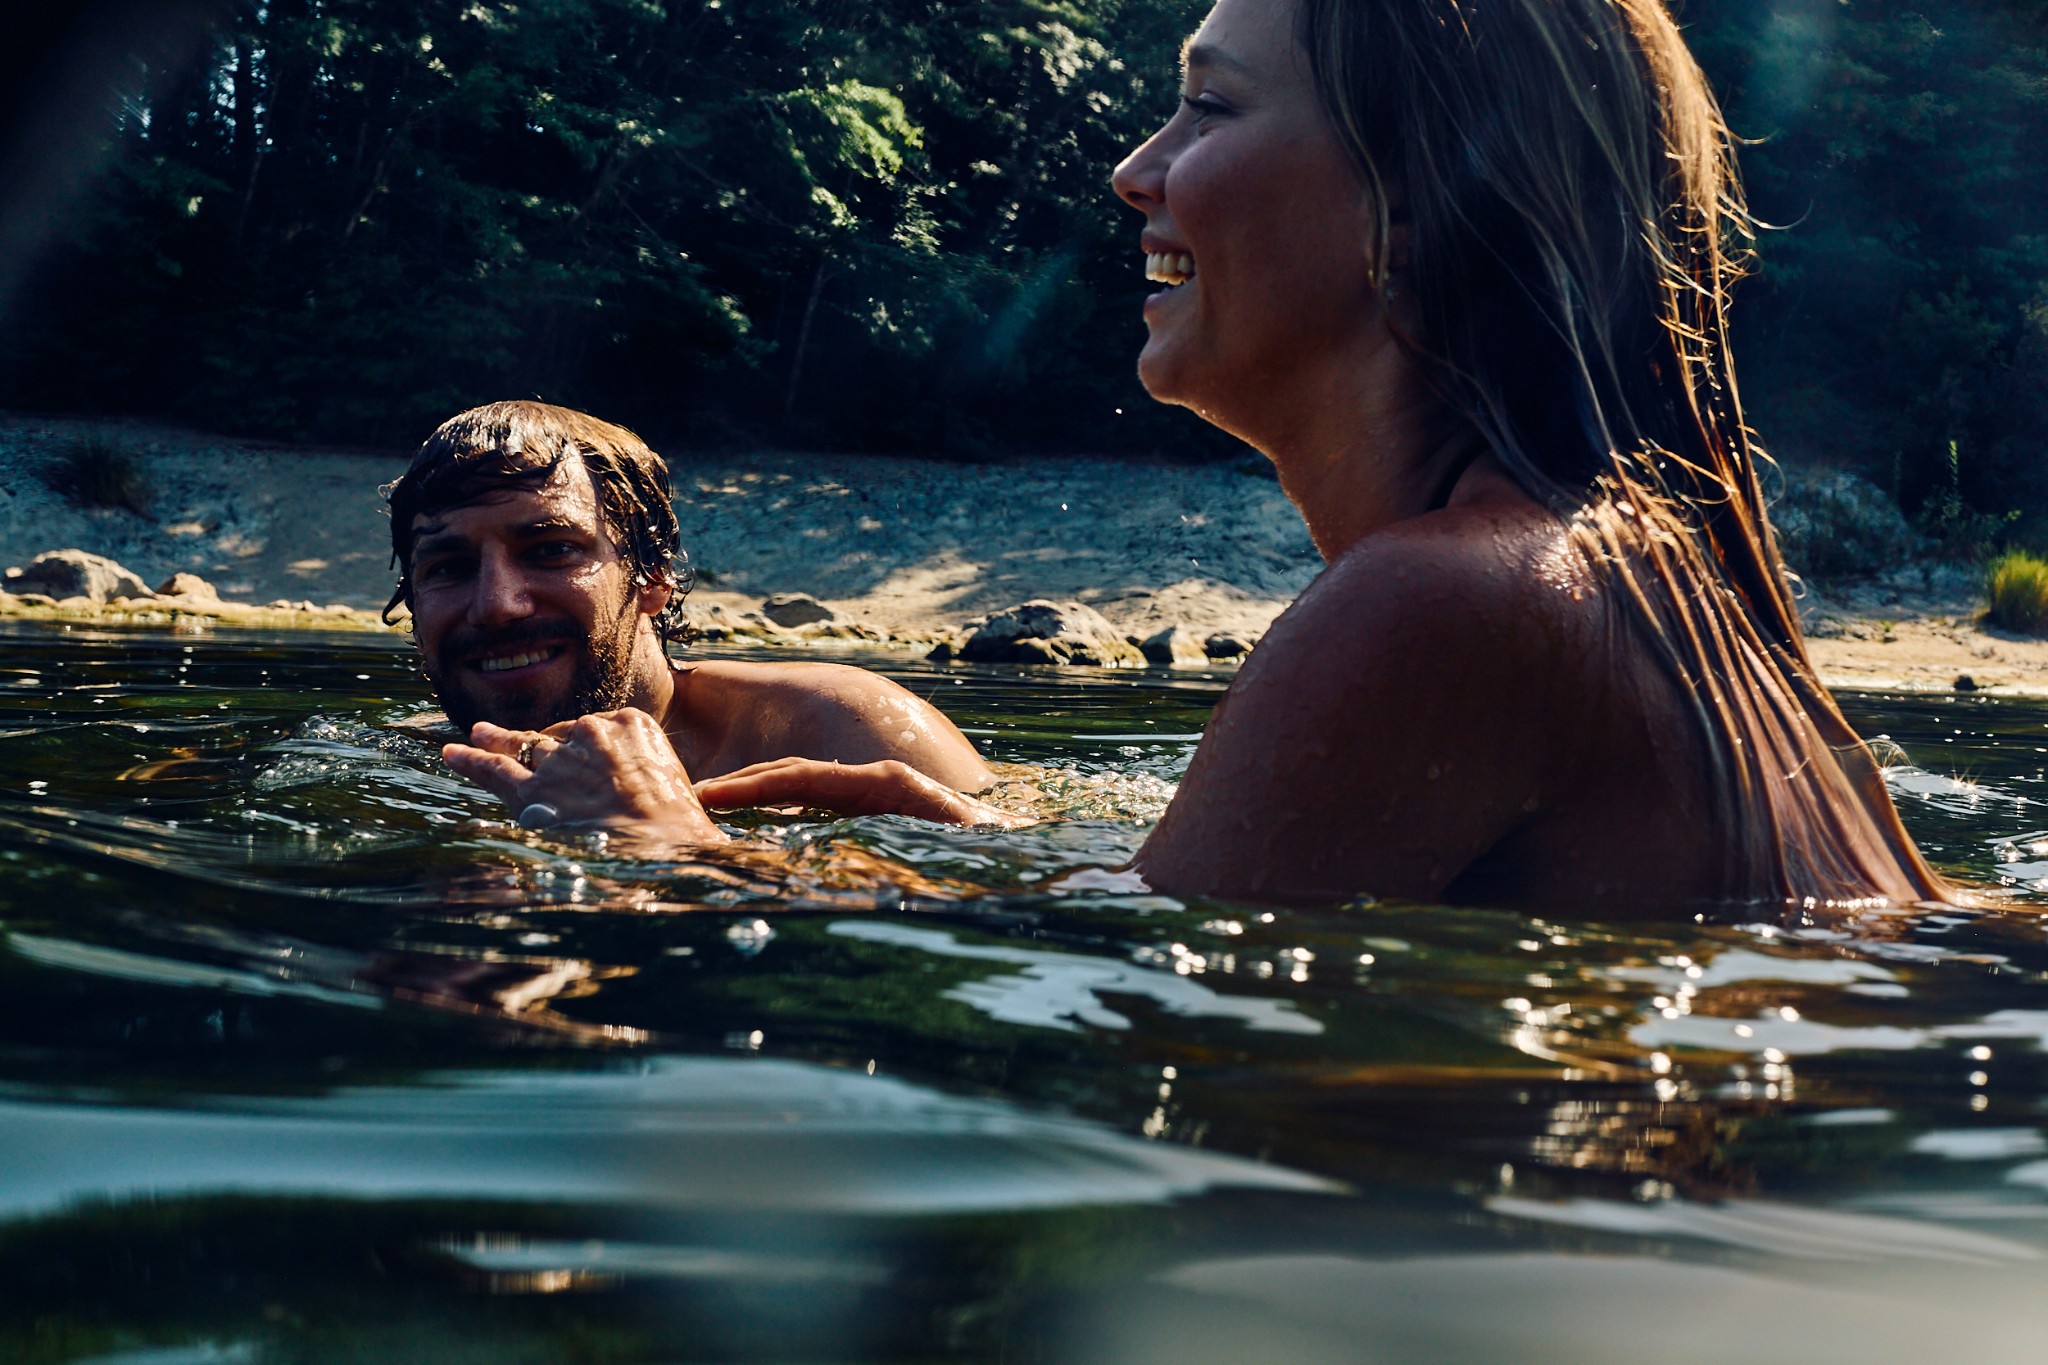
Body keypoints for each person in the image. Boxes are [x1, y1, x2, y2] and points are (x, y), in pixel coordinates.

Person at [697, 0, 1952, 913]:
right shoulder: (1650, 588)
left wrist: (679, 858)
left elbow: (1150, 1011)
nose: (1134, 170)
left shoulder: (1449, 601)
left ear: (1413, 208)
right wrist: (986, 849)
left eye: (1208, 106)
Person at [385, 401, 1001, 845]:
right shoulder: (405, 763)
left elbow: (1023, 895)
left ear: (653, 577)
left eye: (551, 551)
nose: (496, 605)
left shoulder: (838, 730)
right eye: (449, 567)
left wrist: (673, 838)